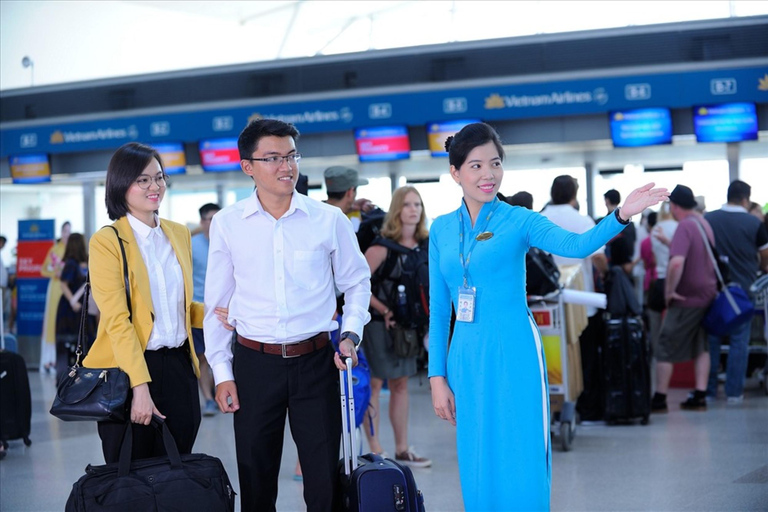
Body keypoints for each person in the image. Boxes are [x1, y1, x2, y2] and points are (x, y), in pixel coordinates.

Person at [428, 122, 667, 511]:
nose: (488, 175)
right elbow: (439, 311)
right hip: (466, 357)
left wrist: (621, 215)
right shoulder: (440, 230)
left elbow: (576, 243)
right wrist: (437, 377)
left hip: (515, 350)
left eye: (495, 163)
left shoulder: (518, 220)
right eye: (475, 166)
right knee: (477, 454)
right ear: (455, 173)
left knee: (521, 451)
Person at [203, 119, 371, 512]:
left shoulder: (328, 220)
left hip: (316, 363)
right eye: (274, 157)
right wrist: (222, 373)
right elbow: (216, 305)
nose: (286, 166)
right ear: (248, 166)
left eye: (292, 156)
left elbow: (357, 282)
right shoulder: (228, 224)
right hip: (253, 365)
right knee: (256, 478)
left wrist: (351, 333)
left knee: (324, 481)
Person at [84, 142, 204, 463]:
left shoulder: (178, 234)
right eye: (143, 180)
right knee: (131, 475)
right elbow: (117, 321)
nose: (155, 187)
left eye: (160, 177)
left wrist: (225, 315)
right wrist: (140, 387)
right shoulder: (107, 241)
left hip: (179, 367)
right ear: (122, 185)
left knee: (178, 469)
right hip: (129, 371)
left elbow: (181, 307)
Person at [362, 185, 432, 467]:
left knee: (401, 384)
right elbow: (355, 286)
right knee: (376, 384)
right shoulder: (381, 248)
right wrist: (383, 309)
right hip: (379, 326)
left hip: (409, 328)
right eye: (407, 204)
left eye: (417, 204)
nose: (413, 209)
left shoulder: (426, 246)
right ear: (397, 210)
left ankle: (403, 449)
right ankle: (376, 448)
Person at [541, 176, 608, 421]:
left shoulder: (540, 218)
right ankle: (585, 408)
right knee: (584, 355)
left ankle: (553, 406)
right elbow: (599, 257)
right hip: (582, 302)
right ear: (574, 195)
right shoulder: (582, 220)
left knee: (550, 355)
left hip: (545, 304)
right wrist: (606, 274)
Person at [651, 185, 718, 413]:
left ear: (674, 206)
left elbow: (677, 263)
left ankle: (659, 399)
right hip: (707, 296)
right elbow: (695, 254)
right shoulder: (703, 223)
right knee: (701, 346)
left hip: (686, 298)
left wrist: (669, 292)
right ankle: (699, 396)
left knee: (665, 345)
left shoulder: (684, 226)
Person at [704, 181, 768, 403]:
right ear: (745, 199)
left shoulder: (708, 219)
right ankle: (734, 392)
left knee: (712, 339)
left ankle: (710, 390)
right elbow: (765, 256)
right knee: (739, 341)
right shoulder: (754, 223)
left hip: (714, 290)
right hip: (744, 290)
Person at [191, 202, 221, 417]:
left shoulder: (228, 241)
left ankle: (221, 393)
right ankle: (209, 400)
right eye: (210, 218)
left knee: (222, 356)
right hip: (199, 311)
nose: (214, 222)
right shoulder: (192, 245)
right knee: (202, 358)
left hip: (224, 311)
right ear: (202, 222)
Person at [55, 233, 96, 381]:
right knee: (69, 344)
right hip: (71, 309)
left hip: (83, 308)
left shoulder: (86, 262)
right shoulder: (71, 263)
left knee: (84, 342)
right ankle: (66, 378)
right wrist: (73, 301)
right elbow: (63, 283)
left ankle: (83, 376)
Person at [40, 221, 70, 374]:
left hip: (69, 289)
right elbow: (43, 270)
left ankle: (64, 359)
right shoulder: (55, 249)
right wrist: (55, 273)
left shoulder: (72, 250)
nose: (67, 234)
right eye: (65, 231)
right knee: (52, 321)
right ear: (61, 232)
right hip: (55, 288)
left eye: (69, 231)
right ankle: (49, 359)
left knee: (65, 321)